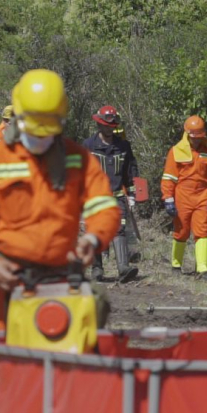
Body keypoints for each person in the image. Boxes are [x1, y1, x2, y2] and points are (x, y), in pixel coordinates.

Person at [0, 69, 121, 330]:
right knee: (8, 362)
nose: (41, 137)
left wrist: (93, 238)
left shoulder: (77, 159)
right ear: (17, 117)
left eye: (48, 129)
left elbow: (105, 207)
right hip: (5, 285)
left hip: (61, 282)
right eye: (34, 129)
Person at [82, 105, 139, 282]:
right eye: (107, 125)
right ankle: (97, 269)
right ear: (99, 125)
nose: (110, 128)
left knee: (119, 230)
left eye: (113, 125)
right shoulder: (88, 146)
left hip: (116, 196)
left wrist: (132, 195)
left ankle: (123, 268)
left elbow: (131, 170)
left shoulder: (123, 146)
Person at [161, 115, 207, 274]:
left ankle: (202, 268)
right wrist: (168, 199)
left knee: (202, 231)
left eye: (199, 137)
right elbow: (169, 177)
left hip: (203, 196)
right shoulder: (176, 151)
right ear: (187, 134)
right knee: (181, 231)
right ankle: (176, 264)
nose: (196, 141)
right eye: (193, 138)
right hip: (183, 196)